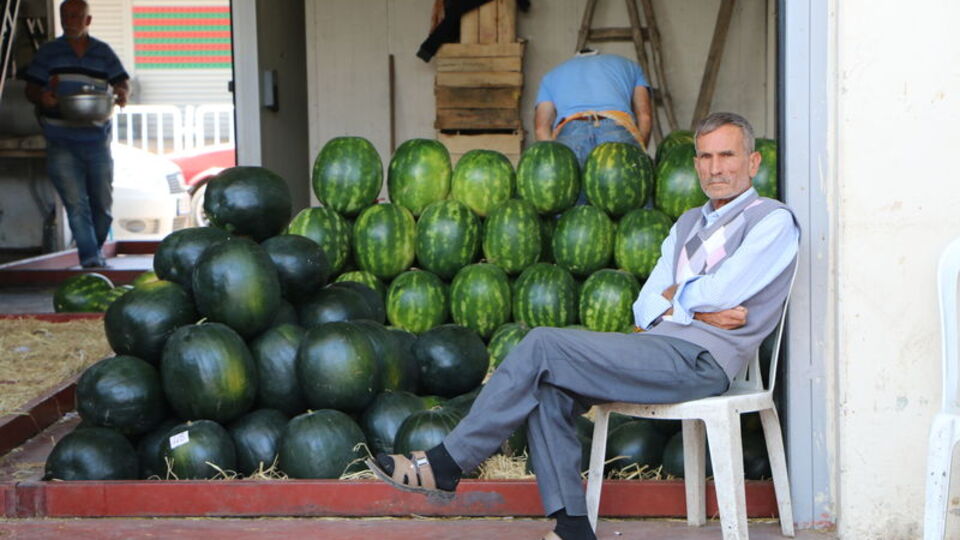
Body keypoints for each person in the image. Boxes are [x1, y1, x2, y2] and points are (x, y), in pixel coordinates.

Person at [366, 112, 800, 540]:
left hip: (701, 362)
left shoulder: (773, 221)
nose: (715, 167)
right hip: (656, 351)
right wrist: (692, 307)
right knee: (548, 387)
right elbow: (644, 303)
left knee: (540, 345)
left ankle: (446, 463)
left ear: (753, 162)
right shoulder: (688, 222)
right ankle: (572, 526)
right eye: (704, 157)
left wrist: (678, 299)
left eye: (727, 155)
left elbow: (722, 293)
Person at [23, 0, 130, 268]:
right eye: (65, 15)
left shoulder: (102, 52)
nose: (70, 20)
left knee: (102, 206)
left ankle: (94, 252)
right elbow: (31, 90)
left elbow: (121, 81)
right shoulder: (49, 52)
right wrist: (43, 97)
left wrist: (122, 92)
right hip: (61, 139)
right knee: (76, 205)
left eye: (76, 16)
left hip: (96, 140)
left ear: (88, 20)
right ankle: (91, 260)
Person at [534, 50, 653, 166]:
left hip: (571, 133)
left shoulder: (551, 75)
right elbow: (645, 116)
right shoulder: (630, 65)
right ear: (597, 55)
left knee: (574, 185)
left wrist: (552, 159)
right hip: (617, 128)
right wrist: (640, 154)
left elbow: (541, 128)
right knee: (625, 183)